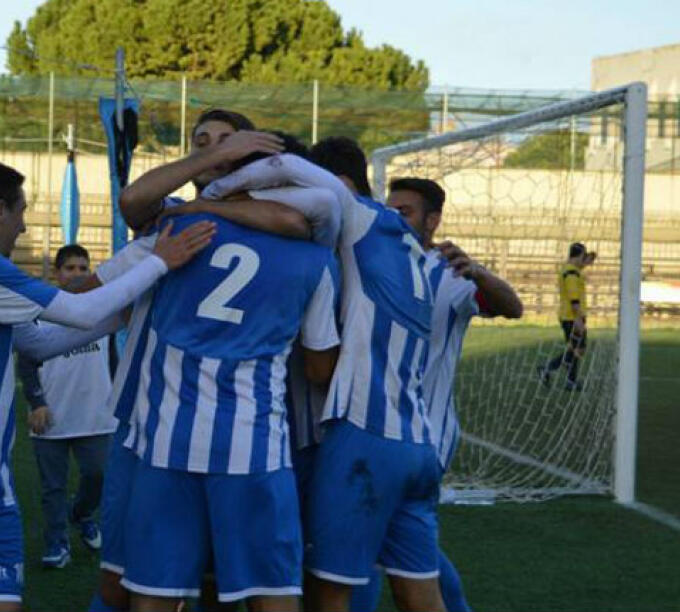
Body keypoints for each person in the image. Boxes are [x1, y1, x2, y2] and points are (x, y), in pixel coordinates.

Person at [0, 155, 214, 612]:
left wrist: (126, 312)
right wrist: (158, 263)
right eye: (21, 212)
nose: (25, 228)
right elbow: (78, 311)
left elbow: (41, 343)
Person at [87, 110, 325, 612]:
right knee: (259, 588)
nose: (214, 152)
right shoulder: (309, 246)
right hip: (211, 437)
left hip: (170, 438)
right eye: (202, 144)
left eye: (227, 144)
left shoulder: (178, 228)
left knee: (162, 588)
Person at [203, 141, 443, 612]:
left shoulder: (359, 218)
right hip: (418, 441)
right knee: (420, 593)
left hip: (364, 436)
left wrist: (214, 193)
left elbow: (289, 167)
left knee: (327, 592)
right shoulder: (412, 245)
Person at [119, 207, 340, 612]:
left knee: (154, 591)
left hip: (168, 440)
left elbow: (99, 291)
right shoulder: (316, 257)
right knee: (271, 590)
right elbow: (319, 367)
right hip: (254, 448)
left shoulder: (181, 227)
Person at [388, 176, 524, 612]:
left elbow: (512, 306)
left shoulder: (451, 274)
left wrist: (478, 270)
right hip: (376, 431)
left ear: (433, 220)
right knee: (398, 543)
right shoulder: (376, 263)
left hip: (428, 435)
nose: (394, 219)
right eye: (390, 210)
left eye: (404, 211)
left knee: (384, 543)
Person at [16, 245, 116, 570]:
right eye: (70, 268)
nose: (77, 273)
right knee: (53, 487)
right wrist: (36, 402)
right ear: (57, 274)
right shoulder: (38, 313)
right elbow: (27, 362)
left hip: (97, 416)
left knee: (97, 474)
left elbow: (111, 358)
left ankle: (83, 514)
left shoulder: (102, 310)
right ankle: (57, 543)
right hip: (52, 415)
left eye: (82, 267)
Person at [539, 242, 590, 391]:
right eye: (583, 256)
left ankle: (570, 381)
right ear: (579, 255)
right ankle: (548, 369)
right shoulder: (571, 273)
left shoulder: (569, 270)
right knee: (576, 349)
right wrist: (579, 318)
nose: (583, 260)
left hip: (570, 316)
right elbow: (573, 297)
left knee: (576, 349)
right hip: (571, 316)